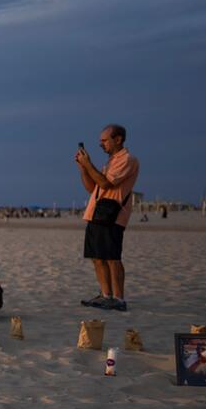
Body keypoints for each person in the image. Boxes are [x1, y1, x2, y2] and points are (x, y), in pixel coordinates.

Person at [76, 124, 139, 311]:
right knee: (97, 257)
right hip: (96, 213)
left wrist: (89, 164)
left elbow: (106, 183)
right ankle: (106, 295)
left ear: (118, 139)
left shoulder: (127, 159)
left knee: (112, 257)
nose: (101, 144)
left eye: (104, 140)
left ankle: (118, 299)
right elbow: (93, 188)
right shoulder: (110, 162)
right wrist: (83, 168)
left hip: (112, 215)